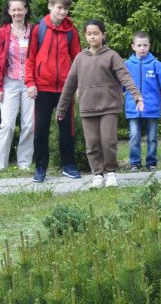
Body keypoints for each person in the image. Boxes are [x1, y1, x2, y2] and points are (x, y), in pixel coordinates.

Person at [56, 20, 143, 188]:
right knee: (92, 143)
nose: (92, 36)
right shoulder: (80, 58)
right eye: (89, 34)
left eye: (96, 33)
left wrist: (137, 96)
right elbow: (69, 85)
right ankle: (97, 174)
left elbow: (125, 76)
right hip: (88, 107)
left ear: (103, 35)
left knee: (108, 141)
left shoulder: (112, 55)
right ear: (85, 36)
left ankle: (111, 173)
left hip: (109, 106)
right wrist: (61, 108)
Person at [25, 0, 82, 183]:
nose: (63, 12)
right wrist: (30, 83)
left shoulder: (71, 31)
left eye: (66, 8)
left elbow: (78, 59)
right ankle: (40, 168)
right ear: (50, 6)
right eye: (59, 7)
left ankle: (69, 165)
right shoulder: (37, 29)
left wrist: (79, 85)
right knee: (41, 129)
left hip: (66, 89)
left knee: (67, 128)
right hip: (42, 88)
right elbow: (30, 58)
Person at [0, 0, 35, 174]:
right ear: (9, 12)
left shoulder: (34, 30)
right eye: (13, 10)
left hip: (30, 83)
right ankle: (1, 164)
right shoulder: (3, 32)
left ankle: (24, 162)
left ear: (26, 10)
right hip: (9, 83)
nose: (17, 13)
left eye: (20, 9)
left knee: (29, 124)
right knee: (7, 124)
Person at [124, 31, 161, 172]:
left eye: (145, 45)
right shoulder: (127, 65)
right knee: (134, 136)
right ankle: (134, 163)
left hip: (152, 107)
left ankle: (151, 162)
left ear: (149, 46)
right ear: (133, 46)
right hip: (133, 107)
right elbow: (121, 86)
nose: (142, 48)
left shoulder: (156, 65)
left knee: (152, 137)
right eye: (139, 45)